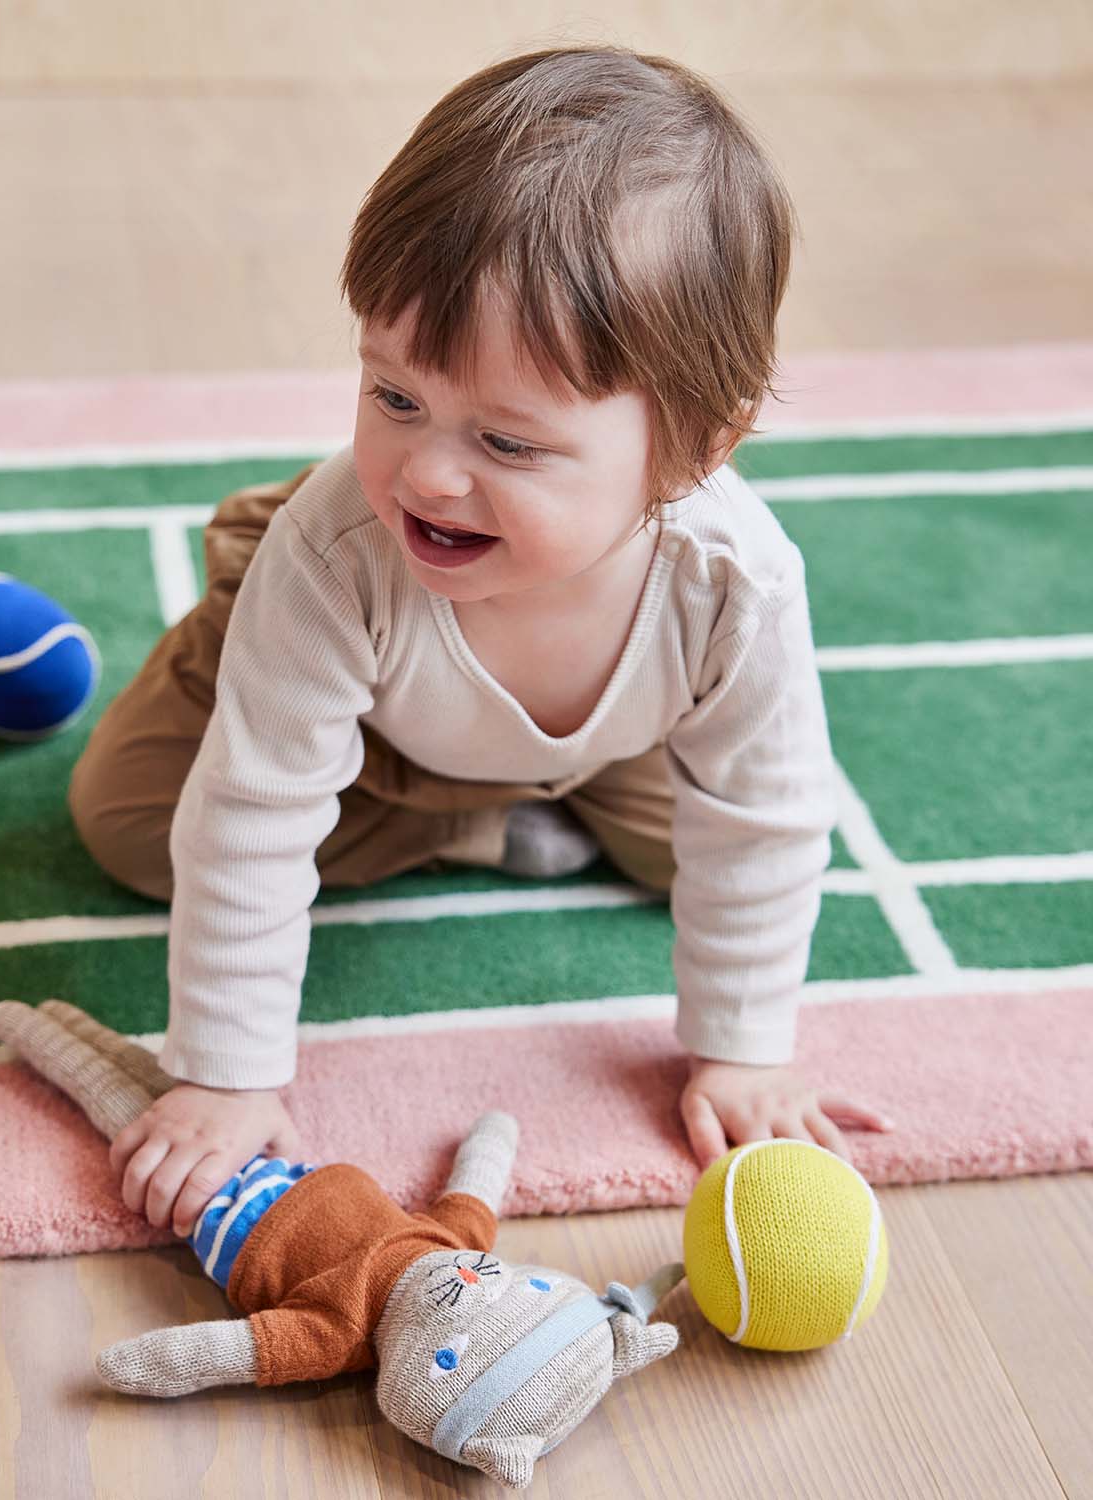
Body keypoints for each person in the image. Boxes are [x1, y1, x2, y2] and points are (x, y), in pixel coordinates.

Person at [68, 44, 894, 1243]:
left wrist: (743, 1050)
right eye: (394, 397)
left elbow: (762, 820)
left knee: (723, 857)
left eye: (509, 444)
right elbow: (253, 808)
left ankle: (501, 814)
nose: (427, 473)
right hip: (358, 709)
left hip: (611, 736)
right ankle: (466, 818)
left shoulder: (736, 586)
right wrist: (228, 1071)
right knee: (130, 818)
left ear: (699, 448)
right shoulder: (339, 547)